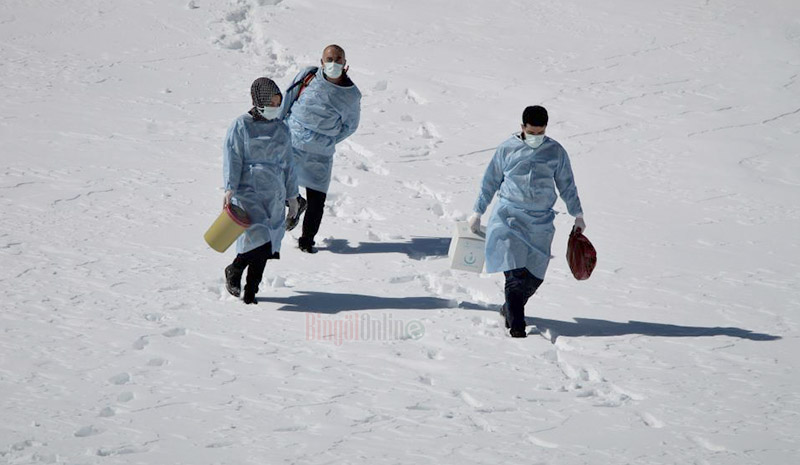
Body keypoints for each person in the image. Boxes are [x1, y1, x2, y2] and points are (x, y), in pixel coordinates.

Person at [469, 106, 586, 337]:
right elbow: (490, 181)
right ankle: (517, 327)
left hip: (540, 223)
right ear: (522, 127)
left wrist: (578, 214)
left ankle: (510, 309)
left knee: (534, 278)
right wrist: (477, 211)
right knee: (514, 276)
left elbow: (567, 184)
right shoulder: (507, 149)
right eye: (531, 133)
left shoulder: (555, 152)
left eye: (540, 133)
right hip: (509, 218)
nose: (536, 137)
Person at [222, 77, 299, 304]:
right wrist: (230, 188)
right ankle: (235, 269)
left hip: (274, 194)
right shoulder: (241, 126)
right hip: (248, 193)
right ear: (258, 100)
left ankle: (251, 292)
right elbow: (233, 158)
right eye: (271, 103)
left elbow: (288, 164)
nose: (275, 108)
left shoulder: (281, 128)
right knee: (258, 240)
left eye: (278, 103)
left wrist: (292, 195)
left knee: (266, 247)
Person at [280, 44, 361, 253]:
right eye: (329, 59)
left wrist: (327, 139)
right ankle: (295, 202)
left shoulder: (351, 95)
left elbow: (350, 126)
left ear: (345, 63)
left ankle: (307, 241)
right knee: (275, 179)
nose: (333, 63)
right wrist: (276, 126)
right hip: (293, 139)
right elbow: (288, 98)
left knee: (317, 199)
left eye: (338, 59)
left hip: (320, 153)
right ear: (322, 62)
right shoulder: (309, 76)